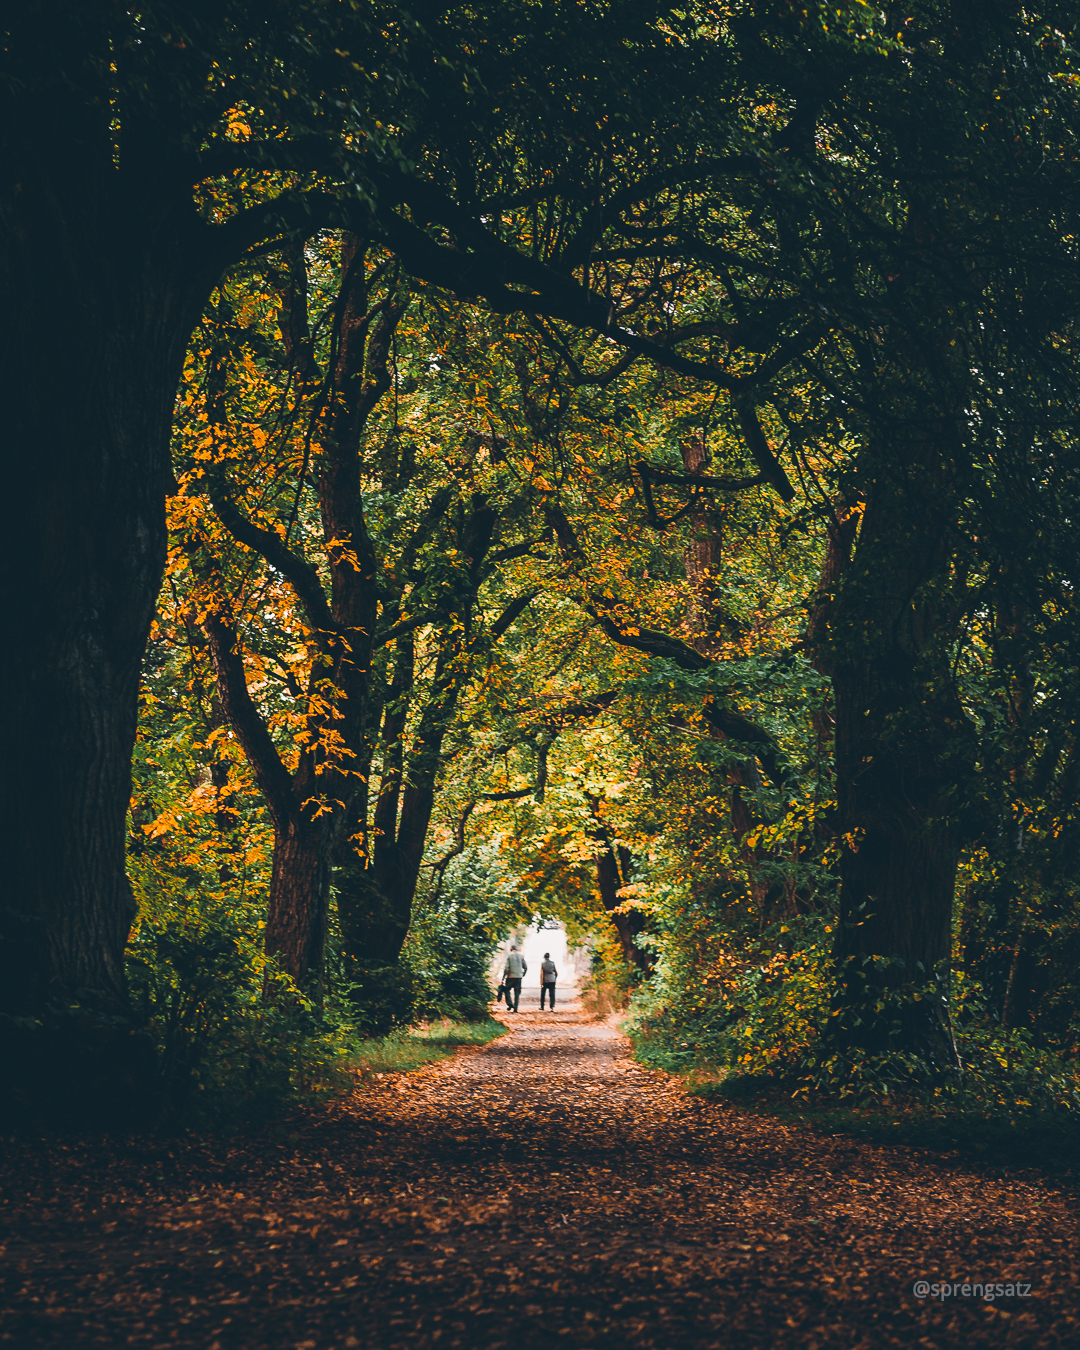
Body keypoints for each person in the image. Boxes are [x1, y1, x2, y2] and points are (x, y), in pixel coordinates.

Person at [502, 945, 527, 1012]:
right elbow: (525, 967)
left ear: (511, 949)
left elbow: (506, 968)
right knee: (517, 993)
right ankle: (515, 1008)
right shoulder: (521, 956)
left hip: (510, 977)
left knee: (506, 990)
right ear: (517, 949)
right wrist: (522, 974)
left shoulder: (509, 956)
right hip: (518, 977)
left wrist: (504, 977)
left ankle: (510, 1004)